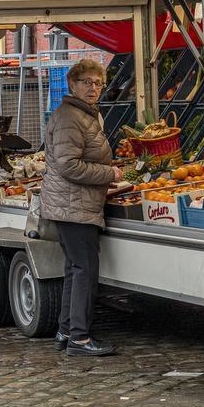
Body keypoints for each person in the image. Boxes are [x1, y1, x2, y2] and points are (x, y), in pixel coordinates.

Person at [41, 59, 121, 357]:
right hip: (73, 205)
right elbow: (68, 165)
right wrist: (108, 174)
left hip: (77, 202)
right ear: (72, 84)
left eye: (98, 83)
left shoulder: (87, 116)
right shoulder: (69, 118)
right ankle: (80, 338)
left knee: (75, 269)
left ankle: (66, 331)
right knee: (84, 269)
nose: (93, 88)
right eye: (87, 82)